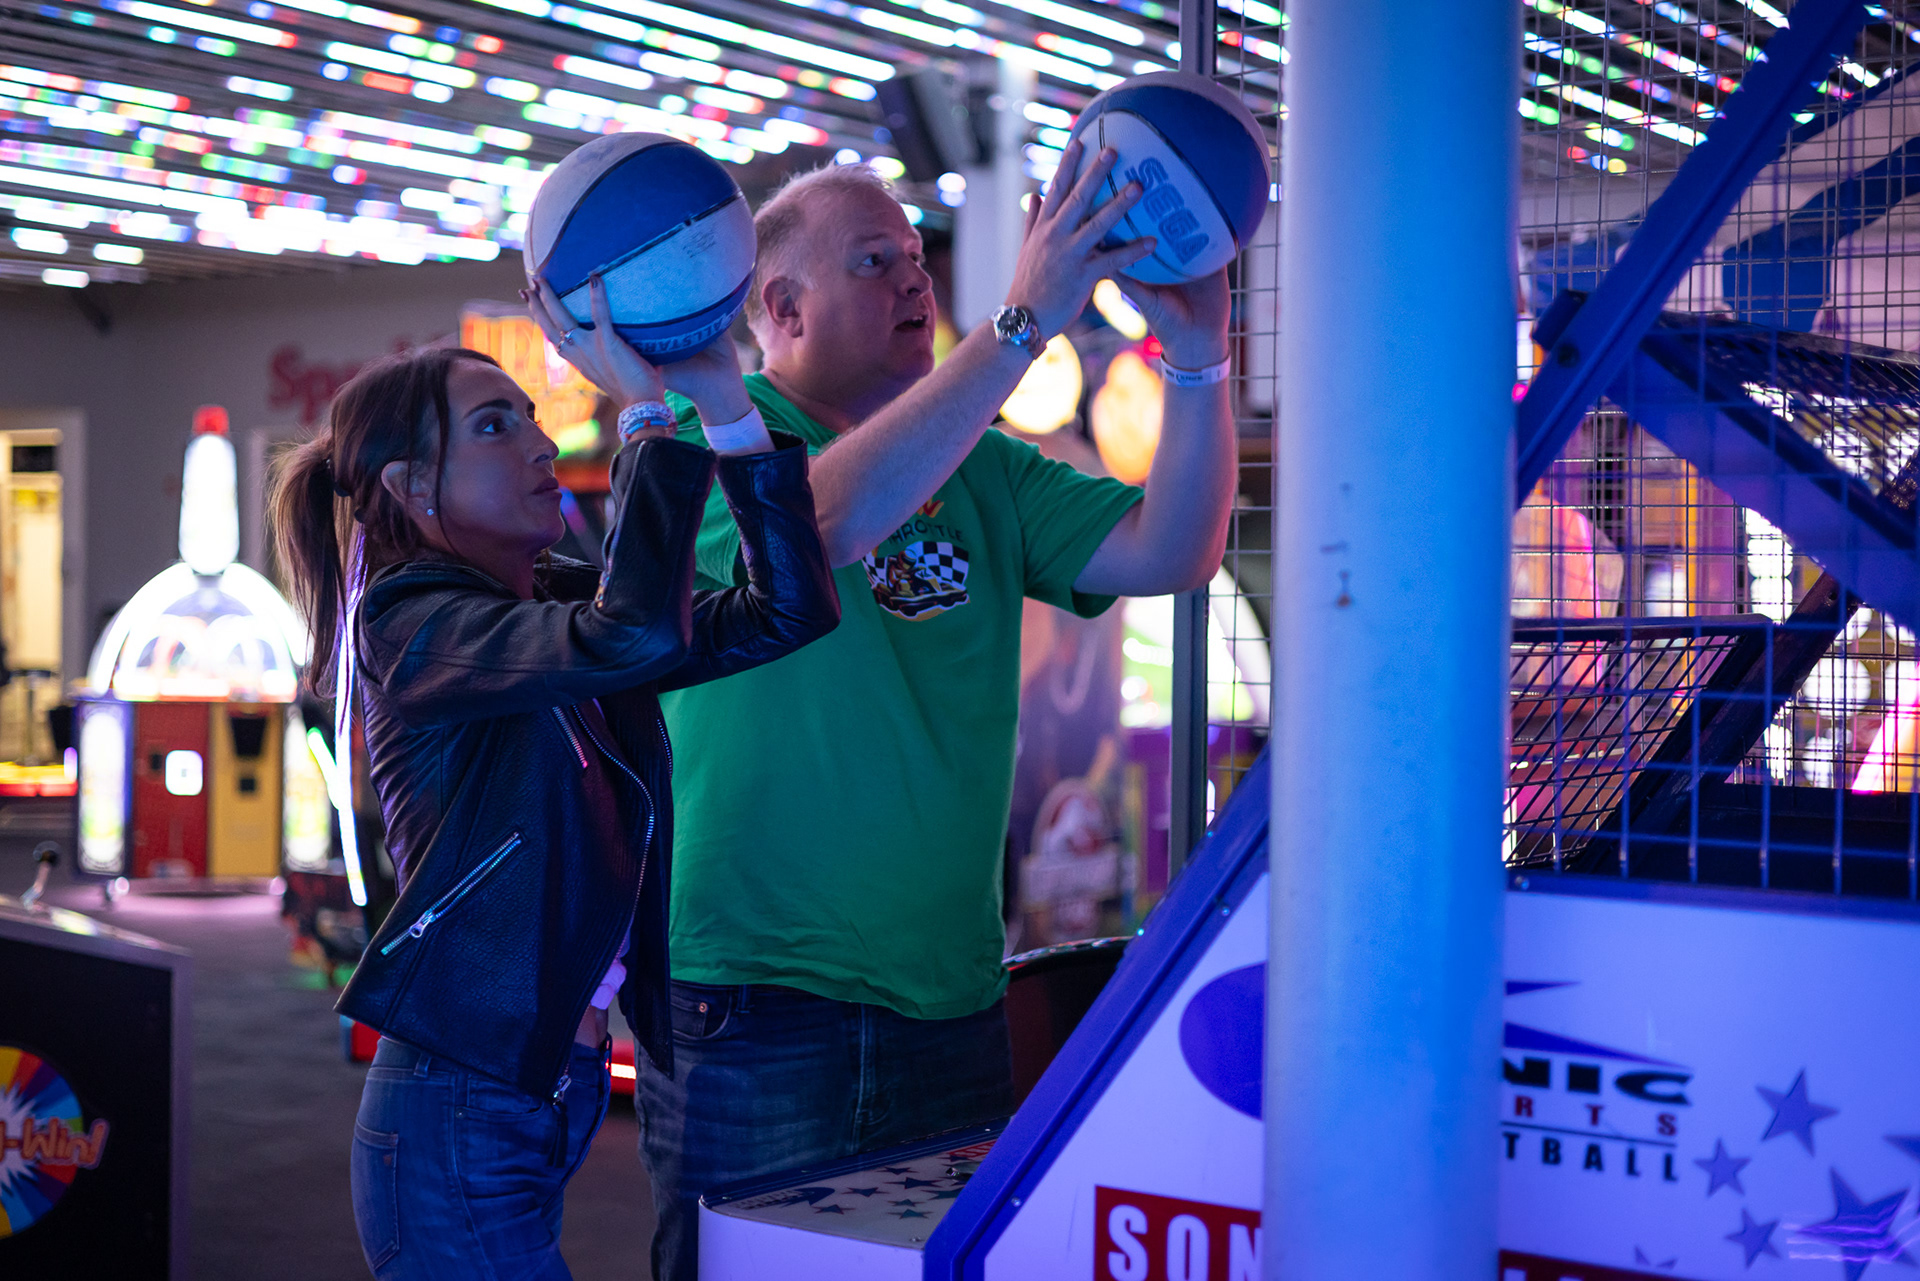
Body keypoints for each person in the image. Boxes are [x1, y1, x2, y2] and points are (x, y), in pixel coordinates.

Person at [575, 141, 1238, 1280]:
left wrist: (1198, 355)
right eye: (874, 261)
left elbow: (1173, 548)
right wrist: (1022, 324)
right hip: (754, 997)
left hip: (951, 994)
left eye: (915, 258)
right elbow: (813, 529)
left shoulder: (985, 467)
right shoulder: (702, 440)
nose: (915, 279)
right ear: (781, 308)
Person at [269, 281, 839, 1278]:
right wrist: (649, 416)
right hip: (460, 1095)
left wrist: (728, 405)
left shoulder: (546, 604)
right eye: (495, 426)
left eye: (531, 416)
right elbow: (636, 634)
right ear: (411, 484)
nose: (540, 444)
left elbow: (785, 611)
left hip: (532, 1083)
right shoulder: (410, 622)